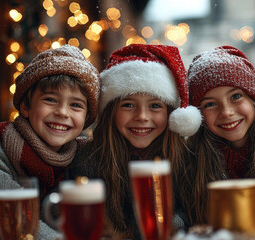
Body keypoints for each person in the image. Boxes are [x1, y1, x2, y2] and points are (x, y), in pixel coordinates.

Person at [0, 44, 100, 239]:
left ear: (86, 118)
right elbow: (3, 224)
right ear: (26, 106)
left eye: (75, 105)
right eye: (50, 100)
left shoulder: (84, 157)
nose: (62, 112)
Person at [73, 44, 201, 239]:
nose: (142, 116)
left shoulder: (187, 160)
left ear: (171, 113)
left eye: (155, 106)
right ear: (111, 111)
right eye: (128, 104)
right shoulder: (87, 160)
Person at [183, 46, 255, 225]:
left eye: (236, 96)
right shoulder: (191, 162)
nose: (226, 112)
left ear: (254, 100)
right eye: (209, 104)